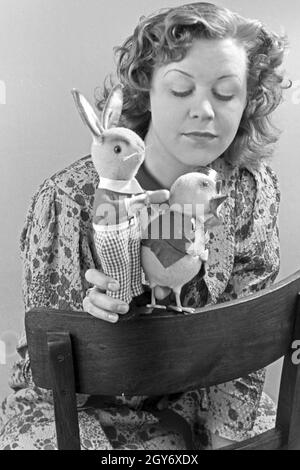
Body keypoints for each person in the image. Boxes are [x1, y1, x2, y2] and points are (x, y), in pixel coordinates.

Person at [0, 2, 290, 450]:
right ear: (146, 92)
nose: (205, 111)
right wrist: (88, 317)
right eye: (180, 90)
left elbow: (245, 339)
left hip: (195, 392)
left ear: (248, 101)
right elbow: (49, 367)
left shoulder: (252, 191)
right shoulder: (68, 200)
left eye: (226, 92)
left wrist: (227, 439)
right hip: (78, 405)